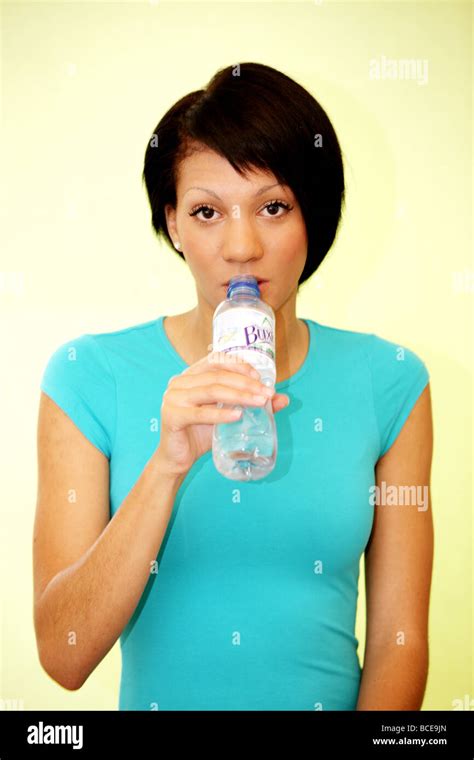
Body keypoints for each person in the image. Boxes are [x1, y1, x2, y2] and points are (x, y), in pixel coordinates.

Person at [33, 62, 433, 710]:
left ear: (316, 215)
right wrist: (165, 465)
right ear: (173, 223)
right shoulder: (88, 375)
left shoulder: (390, 381)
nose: (242, 246)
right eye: (207, 211)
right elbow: (63, 655)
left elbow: (399, 640)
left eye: (273, 207)